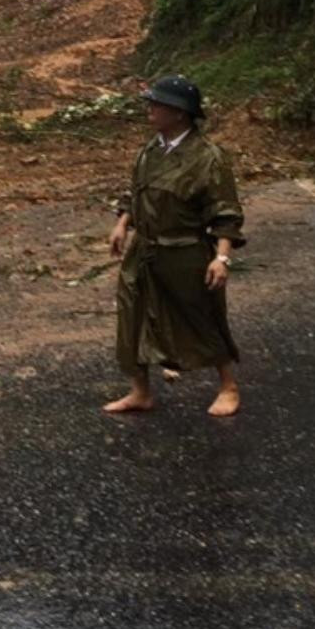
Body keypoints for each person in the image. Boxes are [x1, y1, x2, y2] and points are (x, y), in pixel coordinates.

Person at [105, 75, 245, 417]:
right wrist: (123, 224)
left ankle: (228, 386)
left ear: (180, 113)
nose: (150, 109)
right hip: (145, 251)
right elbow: (135, 191)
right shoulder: (150, 150)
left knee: (201, 317)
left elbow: (225, 211)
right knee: (132, 316)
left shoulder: (208, 158)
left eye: (158, 104)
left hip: (184, 251)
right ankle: (141, 390)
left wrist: (221, 257)